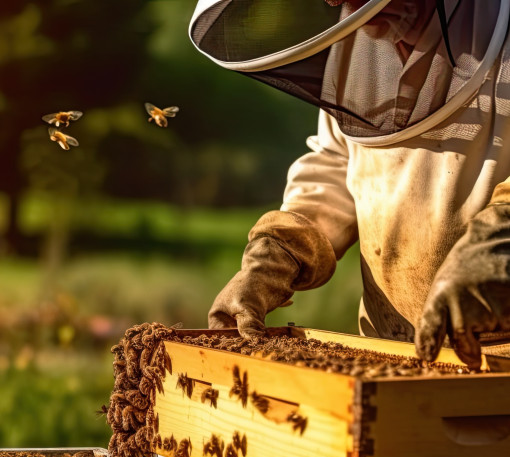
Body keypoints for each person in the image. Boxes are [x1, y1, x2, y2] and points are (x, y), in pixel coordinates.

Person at [190, 0, 510, 369]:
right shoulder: (352, 48)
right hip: (387, 349)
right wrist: (277, 254)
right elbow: (338, 161)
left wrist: (495, 249)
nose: (349, 5)